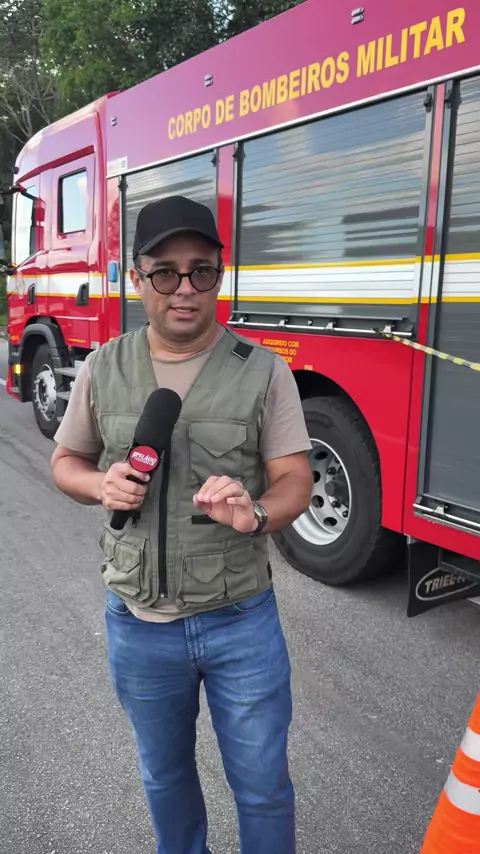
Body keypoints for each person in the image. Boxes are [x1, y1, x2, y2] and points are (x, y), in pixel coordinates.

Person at [50, 195, 313, 854]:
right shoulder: (104, 366)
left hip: (239, 620)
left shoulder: (263, 370)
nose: (185, 288)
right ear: (137, 279)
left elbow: (295, 480)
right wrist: (99, 483)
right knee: (164, 777)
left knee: (263, 787)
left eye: (202, 270)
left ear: (221, 274)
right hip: (138, 624)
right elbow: (65, 463)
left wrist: (256, 512)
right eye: (165, 272)